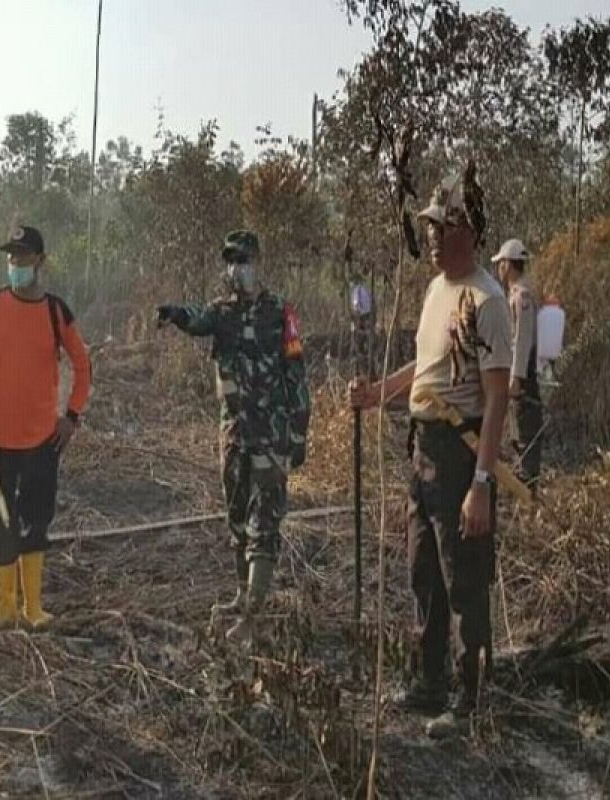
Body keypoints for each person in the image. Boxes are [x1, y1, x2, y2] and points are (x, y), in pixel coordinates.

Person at [349, 170, 511, 735]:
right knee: (425, 569)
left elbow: (496, 399)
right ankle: (431, 681)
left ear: (470, 231)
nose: (434, 238)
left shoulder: (488, 301)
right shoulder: (435, 290)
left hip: (460, 450)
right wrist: (379, 395)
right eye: (430, 228)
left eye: (444, 228)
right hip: (422, 447)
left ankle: (469, 702)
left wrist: (482, 484)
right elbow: (426, 368)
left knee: (462, 575)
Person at [156, 230, 311, 643]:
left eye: (242, 260)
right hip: (235, 434)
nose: (235, 269)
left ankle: (254, 616)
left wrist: (299, 433)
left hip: (271, 434)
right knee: (238, 518)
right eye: (230, 261)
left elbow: (297, 374)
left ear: (257, 262)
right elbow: (197, 320)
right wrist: (174, 313)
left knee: (265, 523)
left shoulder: (281, 313)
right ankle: (243, 597)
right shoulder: (221, 311)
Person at [0, 225, 92, 629]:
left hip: (42, 439)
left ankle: (33, 607)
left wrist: (71, 415)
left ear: (40, 261)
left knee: (35, 519)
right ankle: (4, 606)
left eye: (23, 256)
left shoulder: (56, 311)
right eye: (11, 257)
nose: (16, 264)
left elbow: (82, 364)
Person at [492, 238, 544, 486]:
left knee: (526, 423)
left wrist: (516, 377)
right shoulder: (515, 293)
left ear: (509, 264)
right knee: (517, 424)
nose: (499, 268)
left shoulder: (521, 296)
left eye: (501, 263)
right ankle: (523, 475)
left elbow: (522, 341)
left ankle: (528, 480)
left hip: (524, 374)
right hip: (518, 371)